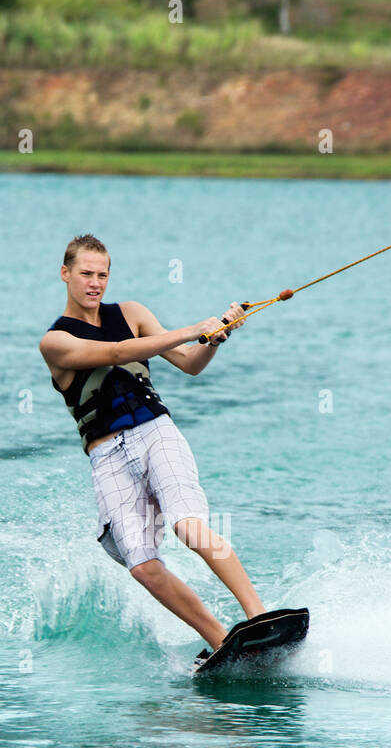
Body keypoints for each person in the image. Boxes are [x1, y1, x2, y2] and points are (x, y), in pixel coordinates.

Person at [40, 233, 266, 660]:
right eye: (86, 274)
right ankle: (220, 641)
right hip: (106, 454)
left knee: (188, 524)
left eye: (103, 275)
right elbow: (118, 352)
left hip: (155, 433)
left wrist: (214, 339)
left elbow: (189, 364)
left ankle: (258, 616)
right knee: (142, 564)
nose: (95, 283)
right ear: (65, 273)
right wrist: (194, 328)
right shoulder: (54, 342)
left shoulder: (132, 313)